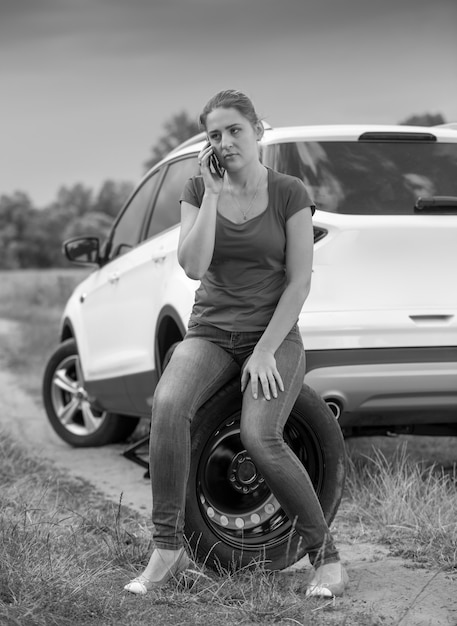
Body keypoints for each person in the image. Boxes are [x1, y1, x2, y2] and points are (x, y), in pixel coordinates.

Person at [124, 89, 348, 598]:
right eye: (215, 135)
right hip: (211, 333)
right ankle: (168, 550)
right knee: (169, 403)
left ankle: (326, 557)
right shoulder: (198, 187)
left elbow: (299, 282)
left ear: (257, 131)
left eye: (234, 131)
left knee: (260, 436)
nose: (225, 143)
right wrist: (214, 195)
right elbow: (193, 265)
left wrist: (267, 349)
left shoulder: (290, 191)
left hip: (273, 336)